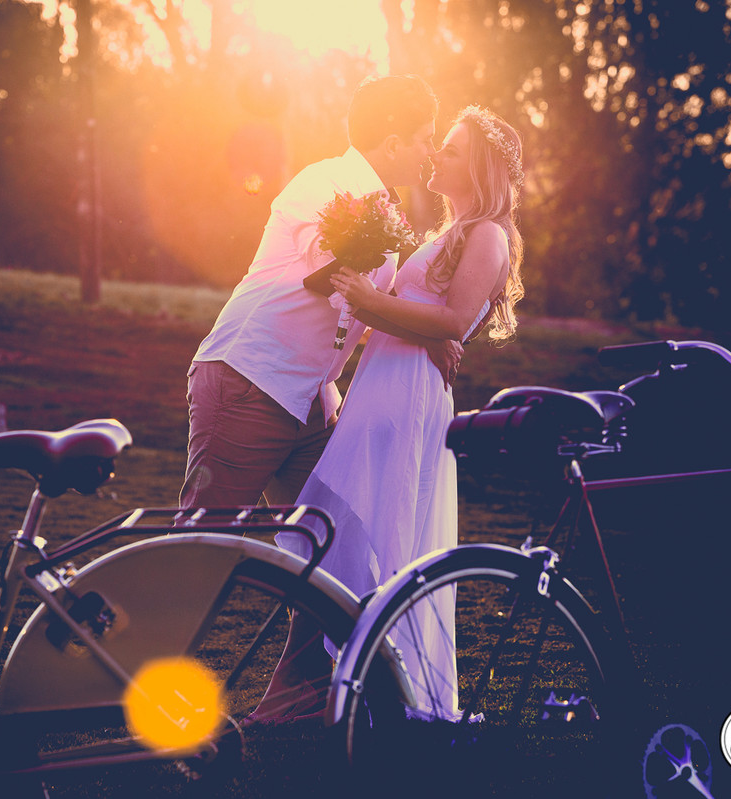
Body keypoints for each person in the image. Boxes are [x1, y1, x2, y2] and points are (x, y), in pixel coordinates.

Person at [281, 105, 526, 722]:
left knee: (388, 530)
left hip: (409, 395)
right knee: (344, 520)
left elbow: (451, 321)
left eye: (449, 148)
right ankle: (365, 675)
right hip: (380, 385)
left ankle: (391, 688)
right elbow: (419, 316)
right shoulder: (448, 231)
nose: (435, 156)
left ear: (477, 165)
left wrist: (374, 301)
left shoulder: (488, 234)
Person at [181, 74, 460, 513]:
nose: (431, 151)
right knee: (203, 542)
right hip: (252, 380)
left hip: (309, 401)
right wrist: (429, 334)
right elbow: (334, 278)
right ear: (391, 144)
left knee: (325, 546)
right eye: (426, 138)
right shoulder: (324, 183)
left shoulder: (383, 208)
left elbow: (358, 310)